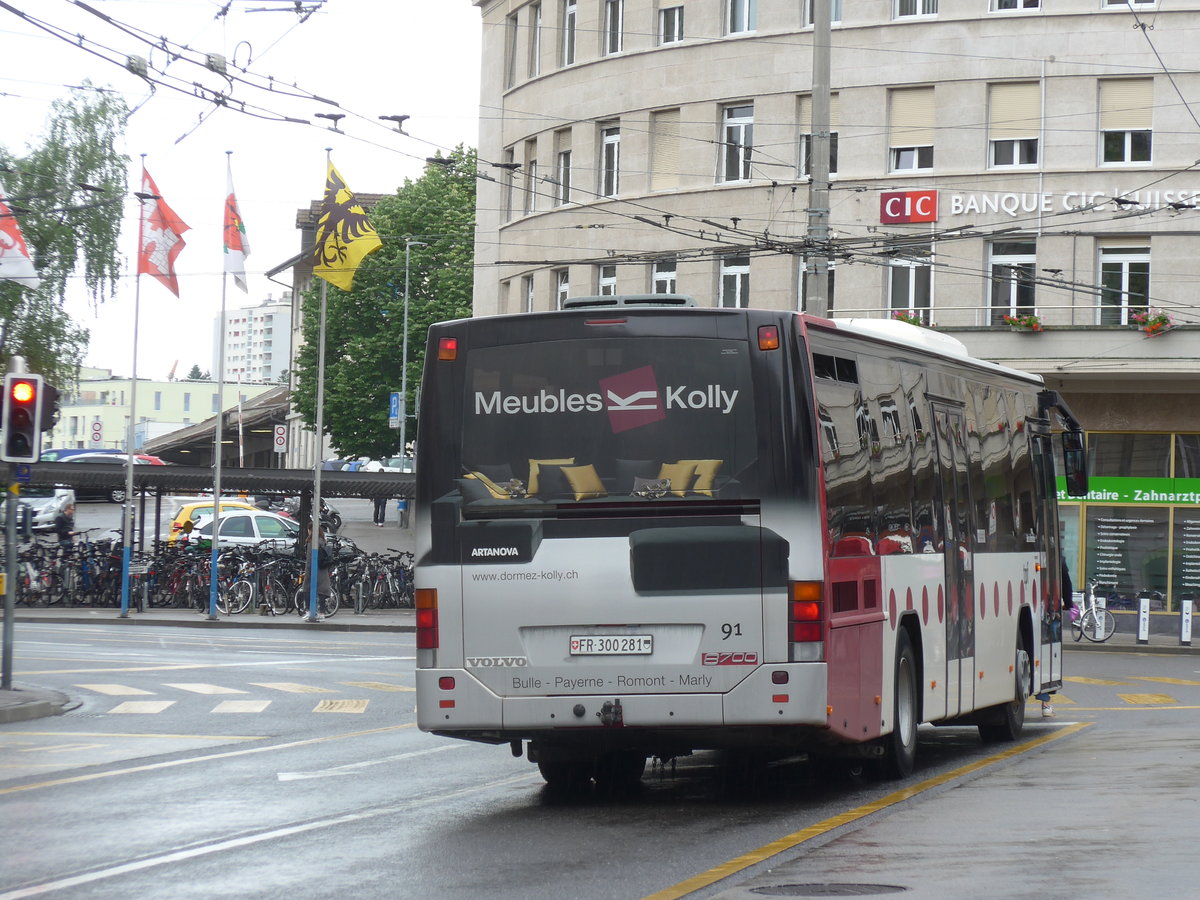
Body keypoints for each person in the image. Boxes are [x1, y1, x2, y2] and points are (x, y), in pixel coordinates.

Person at [1037, 557, 1075, 717]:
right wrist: (1069, 603)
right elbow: (1066, 583)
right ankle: (1045, 704)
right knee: (1047, 653)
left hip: (1036, 607)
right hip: (1051, 610)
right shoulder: (1058, 559)